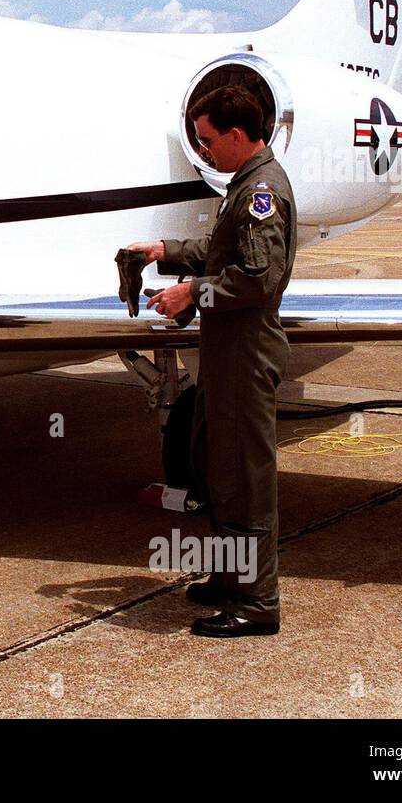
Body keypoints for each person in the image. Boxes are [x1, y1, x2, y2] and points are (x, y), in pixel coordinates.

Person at [127, 84, 297, 638]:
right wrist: (165, 253)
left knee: (247, 480)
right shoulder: (244, 185)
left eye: (207, 141)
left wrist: (189, 293)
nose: (202, 151)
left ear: (237, 135)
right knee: (220, 471)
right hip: (227, 352)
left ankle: (257, 603)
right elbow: (224, 254)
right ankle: (230, 579)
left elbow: (254, 279)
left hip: (246, 355)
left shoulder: (262, 192)